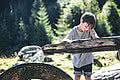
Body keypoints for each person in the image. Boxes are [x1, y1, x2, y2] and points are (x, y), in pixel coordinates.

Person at [64, 12, 99, 80]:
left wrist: (91, 31)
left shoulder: (90, 30)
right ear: (81, 21)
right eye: (86, 26)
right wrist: (67, 42)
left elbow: (97, 40)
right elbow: (66, 39)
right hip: (77, 59)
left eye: (89, 27)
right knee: (77, 76)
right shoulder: (73, 31)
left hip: (87, 58)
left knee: (88, 76)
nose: (87, 29)